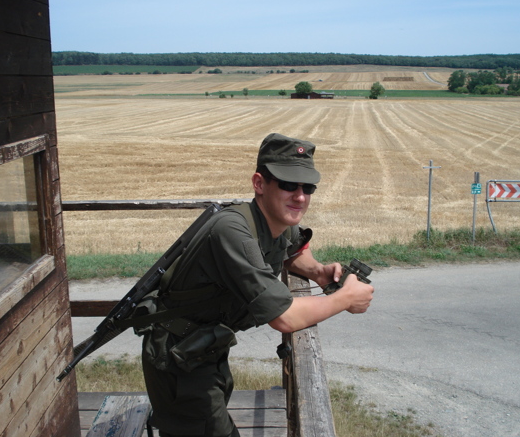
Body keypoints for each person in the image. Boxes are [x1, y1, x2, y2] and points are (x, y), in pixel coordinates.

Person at [140, 133, 374, 437]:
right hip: (178, 359)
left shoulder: (274, 221)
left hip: (205, 348)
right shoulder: (234, 230)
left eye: (308, 187)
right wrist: (345, 299)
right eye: (288, 185)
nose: (300, 196)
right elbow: (284, 317)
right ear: (259, 184)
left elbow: (293, 249)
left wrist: (318, 271)